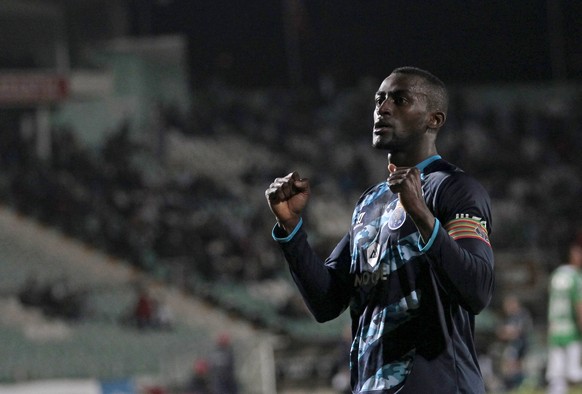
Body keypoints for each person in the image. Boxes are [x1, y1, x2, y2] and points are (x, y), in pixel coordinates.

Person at [265, 66, 495, 393]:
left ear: (434, 119)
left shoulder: (455, 189)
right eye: (379, 99)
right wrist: (291, 230)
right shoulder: (370, 203)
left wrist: (420, 213)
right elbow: (327, 302)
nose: (383, 108)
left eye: (400, 100)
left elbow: (477, 289)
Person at [546, 236, 582, 394]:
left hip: (555, 328)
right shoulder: (575, 277)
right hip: (571, 328)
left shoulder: (556, 275)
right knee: (573, 372)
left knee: (556, 374)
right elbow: (578, 304)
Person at [494, 294, 533, 390]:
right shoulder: (509, 317)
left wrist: (508, 333)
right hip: (513, 344)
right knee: (508, 363)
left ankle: (520, 384)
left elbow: (519, 331)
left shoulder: (522, 314)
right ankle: (512, 385)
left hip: (522, 344)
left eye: (509, 305)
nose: (507, 308)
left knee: (516, 364)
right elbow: (500, 333)